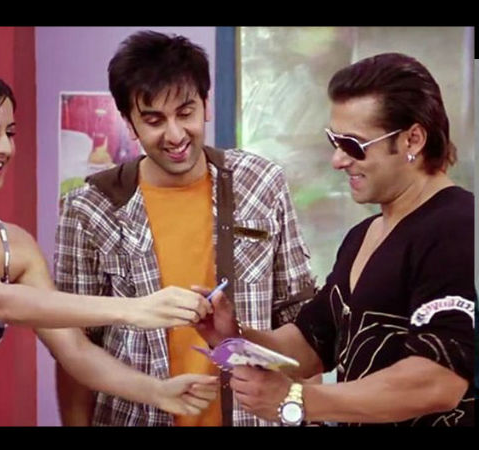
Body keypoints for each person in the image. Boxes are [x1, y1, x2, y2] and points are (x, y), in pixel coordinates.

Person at [0, 61, 219, 426]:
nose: (4, 147)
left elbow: (74, 351)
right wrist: (133, 309)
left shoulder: (15, 245)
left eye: (10, 133)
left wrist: (157, 391)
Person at [197, 53, 475, 426]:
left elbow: (439, 379)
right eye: (334, 141)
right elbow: (310, 345)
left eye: (354, 145)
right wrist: (235, 337)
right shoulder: (363, 235)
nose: (338, 160)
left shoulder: (459, 228)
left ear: (413, 139)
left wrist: (296, 399)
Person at [55, 31, 315, 427]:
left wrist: (304, 412)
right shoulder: (90, 207)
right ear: (129, 123)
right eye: (154, 120)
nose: (175, 135)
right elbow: (75, 347)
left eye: (185, 112)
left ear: (206, 105)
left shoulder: (261, 183)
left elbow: (300, 320)